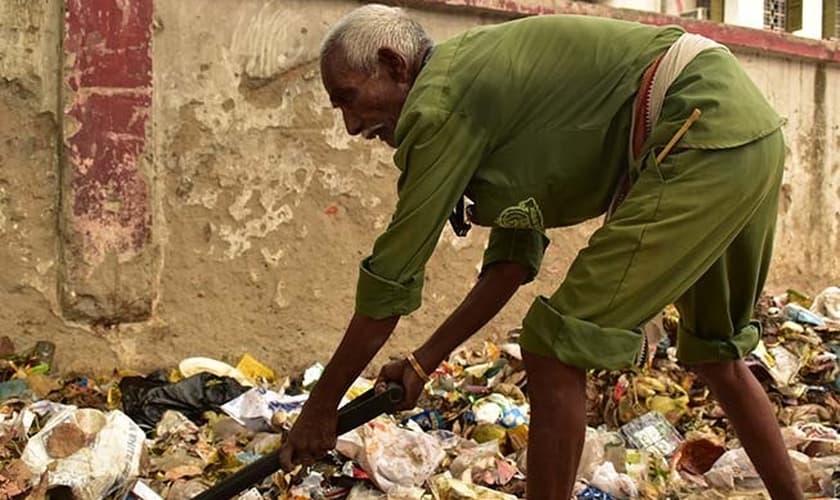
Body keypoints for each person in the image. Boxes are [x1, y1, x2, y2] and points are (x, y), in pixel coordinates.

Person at [277, 4, 803, 499]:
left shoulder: (439, 100)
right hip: (744, 130)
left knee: (552, 348)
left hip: (694, 128)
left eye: (347, 97)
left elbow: (390, 283)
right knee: (716, 353)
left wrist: (321, 407)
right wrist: (422, 363)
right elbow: (510, 266)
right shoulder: (485, 90)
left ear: (394, 66)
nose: (350, 126)